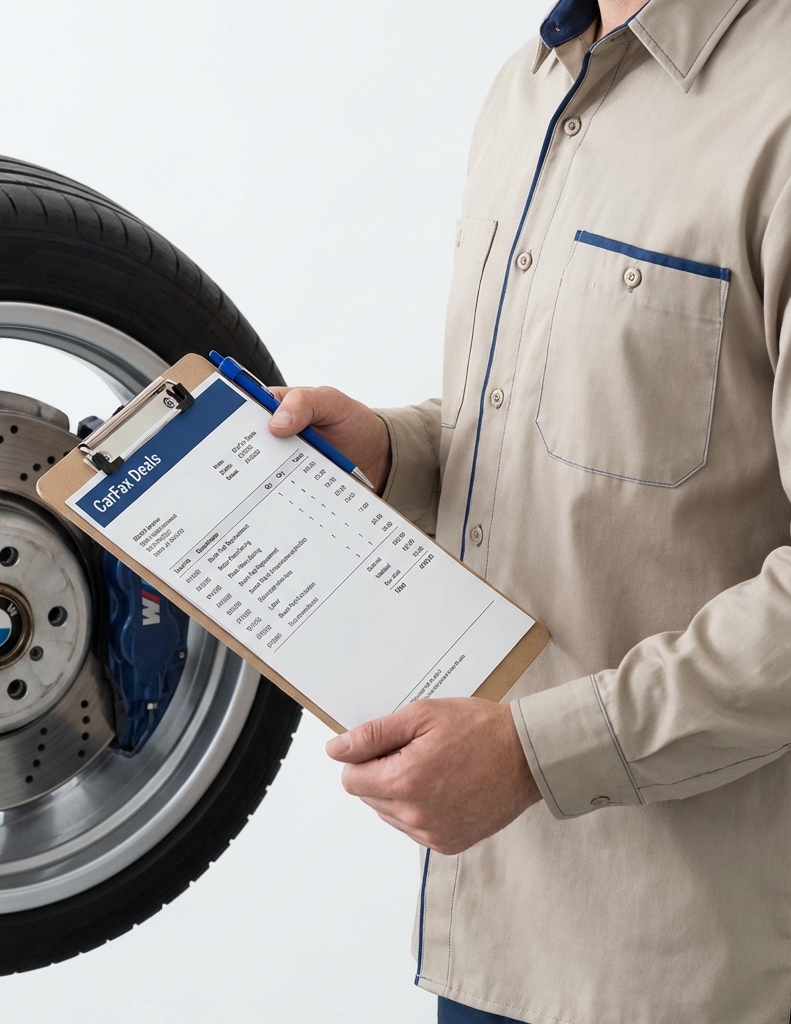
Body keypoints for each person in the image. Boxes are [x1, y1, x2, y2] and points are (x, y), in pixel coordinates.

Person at [267, 0, 791, 1021]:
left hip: (697, 970)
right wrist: (393, 452)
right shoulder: (528, 86)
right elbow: (557, 430)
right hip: (492, 934)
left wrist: (534, 753)